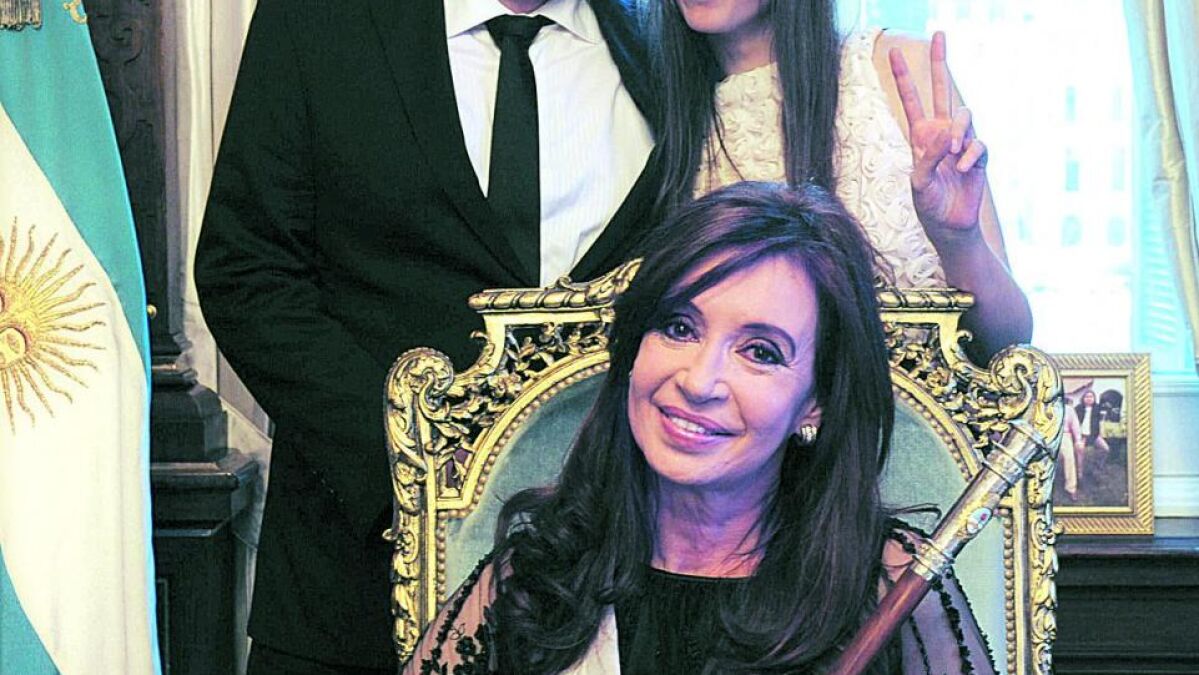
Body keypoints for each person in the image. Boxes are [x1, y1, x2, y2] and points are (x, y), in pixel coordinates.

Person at [194, 0, 658, 671]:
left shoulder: (668, 36)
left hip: (607, 589)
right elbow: (246, 271)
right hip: (349, 590)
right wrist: (415, 470)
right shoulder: (318, 19)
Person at [403, 182, 995, 674]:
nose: (699, 381)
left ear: (815, 404)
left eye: (760, 352)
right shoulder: (539, 578)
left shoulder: (888, 586)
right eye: (679, 327)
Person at [645, 0, 1032, 363]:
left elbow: (1009, 344)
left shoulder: (895, 66)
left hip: (929, 413)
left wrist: (957, 239)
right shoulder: (662, 120)